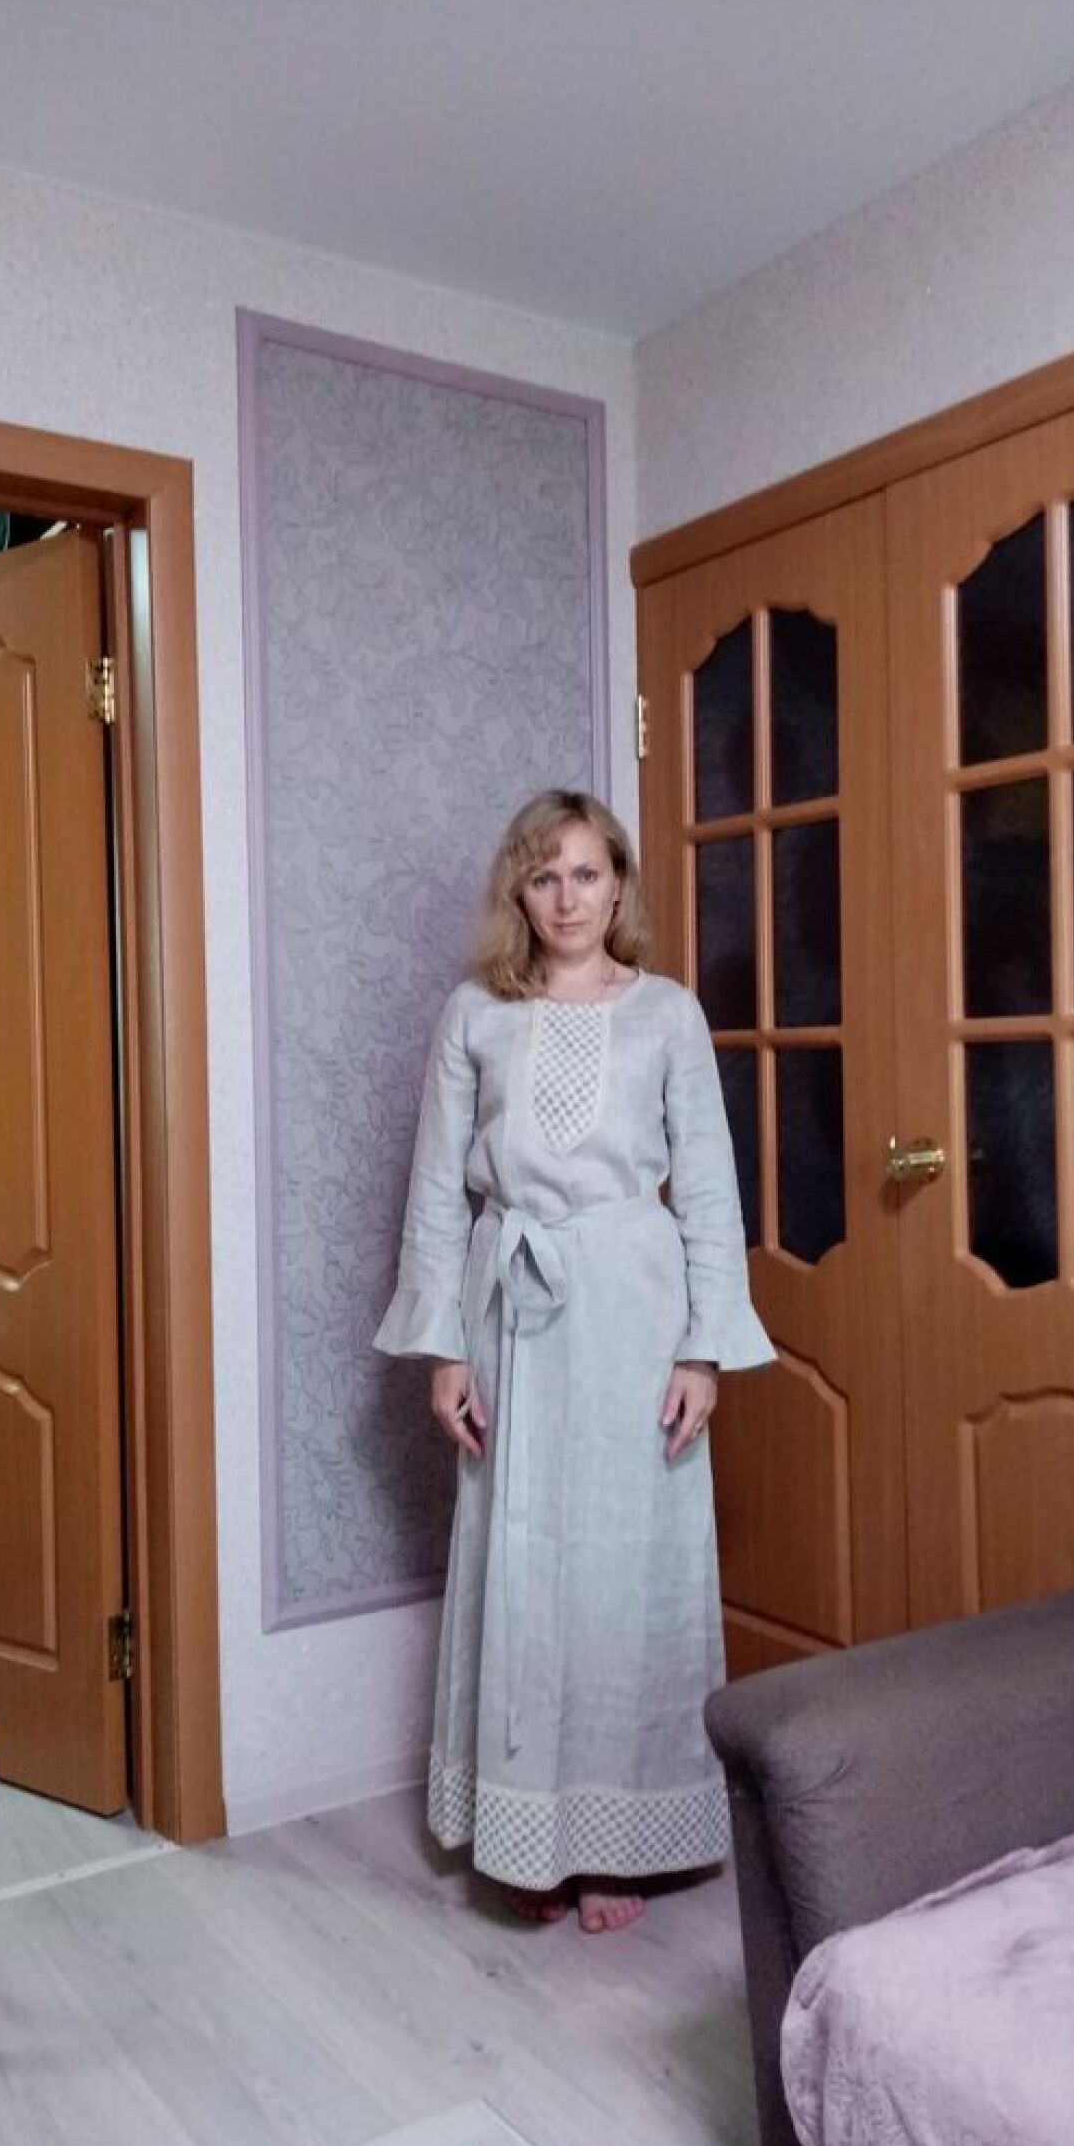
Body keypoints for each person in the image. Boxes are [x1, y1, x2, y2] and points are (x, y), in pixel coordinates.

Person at [375, 789, 775, 1933]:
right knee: (524, 1558)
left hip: (634, 1310)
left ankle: (614, 1842)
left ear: (618, 886)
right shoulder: (475, 1014)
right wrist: (444, 1350)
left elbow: (708, 1190)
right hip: (511, 1309)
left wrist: (704, 1349)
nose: (566, 898)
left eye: (587, 874)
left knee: (624, 1569)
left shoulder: (668, 1015)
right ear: (520, 890)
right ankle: (525, 1830)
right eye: (544, 876)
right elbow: (436, 1191)